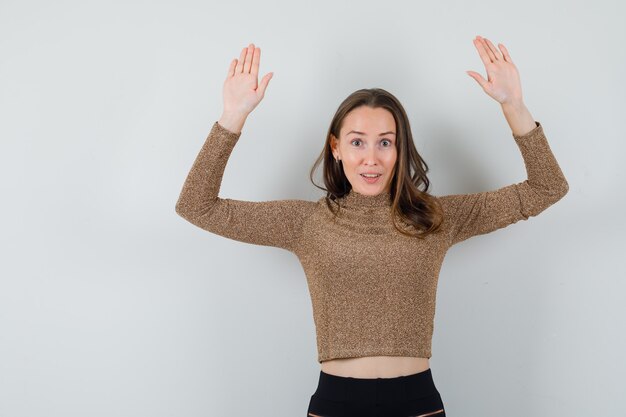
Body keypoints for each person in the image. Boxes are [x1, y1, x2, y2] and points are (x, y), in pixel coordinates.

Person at [175, 37, 569, 417]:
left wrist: (514, 105)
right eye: (358, 142)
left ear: (400, 149)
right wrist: (233, 116)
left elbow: (547, 187)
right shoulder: (306, 223)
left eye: (385, 142)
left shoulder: (436, 218)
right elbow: (197, 206)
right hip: (335, 402)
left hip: (418, 402)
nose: (371, 158)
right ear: (336, 147)